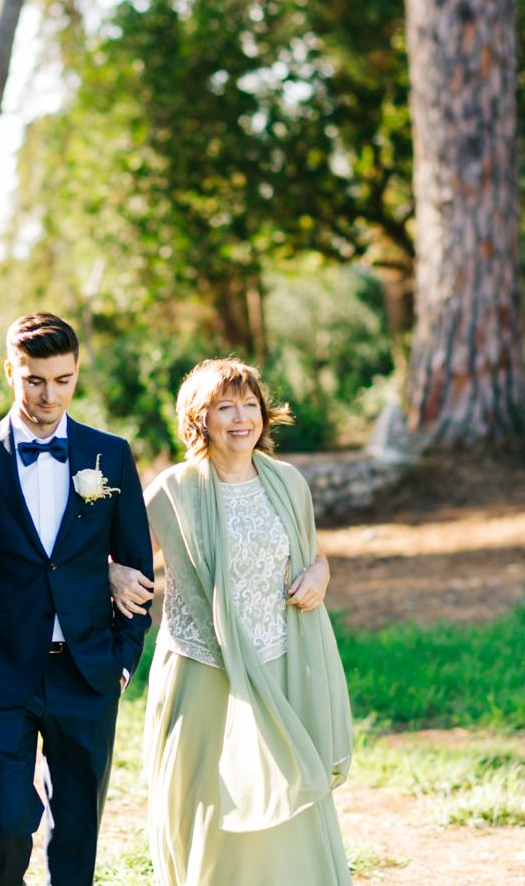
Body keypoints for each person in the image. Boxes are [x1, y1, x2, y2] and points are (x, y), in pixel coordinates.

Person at [0, 312, 154, 886]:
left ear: (77, 372)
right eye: (35, 380)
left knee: (77, 834)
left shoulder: (110, 455)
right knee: (7, 824)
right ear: (10, 372)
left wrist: (122, 661)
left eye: (64, 380)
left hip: (87, 674)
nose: (49, 395)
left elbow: (137, 571)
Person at [112, 357, 353, 886]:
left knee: (284, 790)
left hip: (276, 661)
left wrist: (321, 574)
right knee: (204, 803)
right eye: (225, 407)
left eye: (249, 405)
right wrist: (111, 573)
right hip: (199, 669)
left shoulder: (287, 482)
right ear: (199, 419)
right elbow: (119, 559)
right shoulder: (172, 491)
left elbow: (312, 555)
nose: (241, 418)